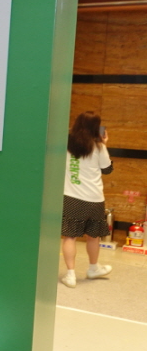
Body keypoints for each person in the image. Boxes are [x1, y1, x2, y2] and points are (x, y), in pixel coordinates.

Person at [61, 111, 114, 288]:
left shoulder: (66, 143)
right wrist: (104, 144)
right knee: (93, 236)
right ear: (96, 127)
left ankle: (70, 275)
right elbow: (107, 169)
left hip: (71, 197)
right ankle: (93, 268)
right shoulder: (98, 147)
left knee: (69, 236)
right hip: (94, 198)